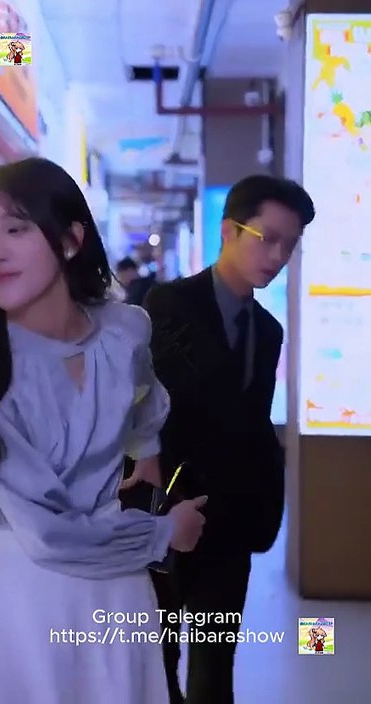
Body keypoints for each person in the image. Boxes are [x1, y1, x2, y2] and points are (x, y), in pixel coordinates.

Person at [0, 157, 207, 704]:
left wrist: (146, 459)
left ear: (71, 240)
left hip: (116, 583)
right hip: (20, 589)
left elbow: (146, 402)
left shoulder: (124, 329)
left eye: (15, 229)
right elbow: (49, 536)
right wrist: (164, 533)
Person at [143, 175, 315, 704]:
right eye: (268, 238)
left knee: (216, 662)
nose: (278, 256)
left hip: (230, 521)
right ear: (229, 231)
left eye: (290, 244)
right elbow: (144, 411)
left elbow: (252, 423)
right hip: (165, 511)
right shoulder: (167, 305)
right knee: (157, 657)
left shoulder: (268, 331)